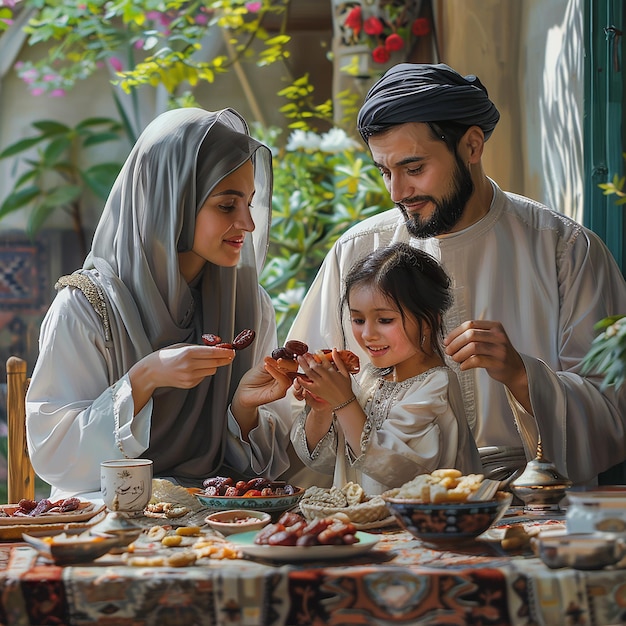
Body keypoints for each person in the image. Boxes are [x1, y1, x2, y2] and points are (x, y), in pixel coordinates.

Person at [287, 63, 626, 486]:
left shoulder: (565, 249)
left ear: (471, 146)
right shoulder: (360, 250)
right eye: (385, 172)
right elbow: (307, 421)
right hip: (389, 509)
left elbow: (614, 413)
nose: (397, 193)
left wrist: (522, 375)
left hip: (535, 497)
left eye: (413, 169)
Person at [26, 107, 301, 501]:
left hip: (216, 514)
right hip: (110, 516)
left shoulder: (248, 304)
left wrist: (243, 407)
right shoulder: (85, 307)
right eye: (227, 205)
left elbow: (258, 470)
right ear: (171, 202)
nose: (248, 223)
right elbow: (56, 455)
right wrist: (145, 378)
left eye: (250, 203)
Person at [288, 243, 482, 494]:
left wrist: (344, 402)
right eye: (358, 320)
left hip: (420, 529)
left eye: (385, 320)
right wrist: (322, 409)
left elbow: (397, 471)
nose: (367, 334)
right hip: (362, 528)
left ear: (428, 321)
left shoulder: (436, 385)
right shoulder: (370, 378)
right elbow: (323, 461)